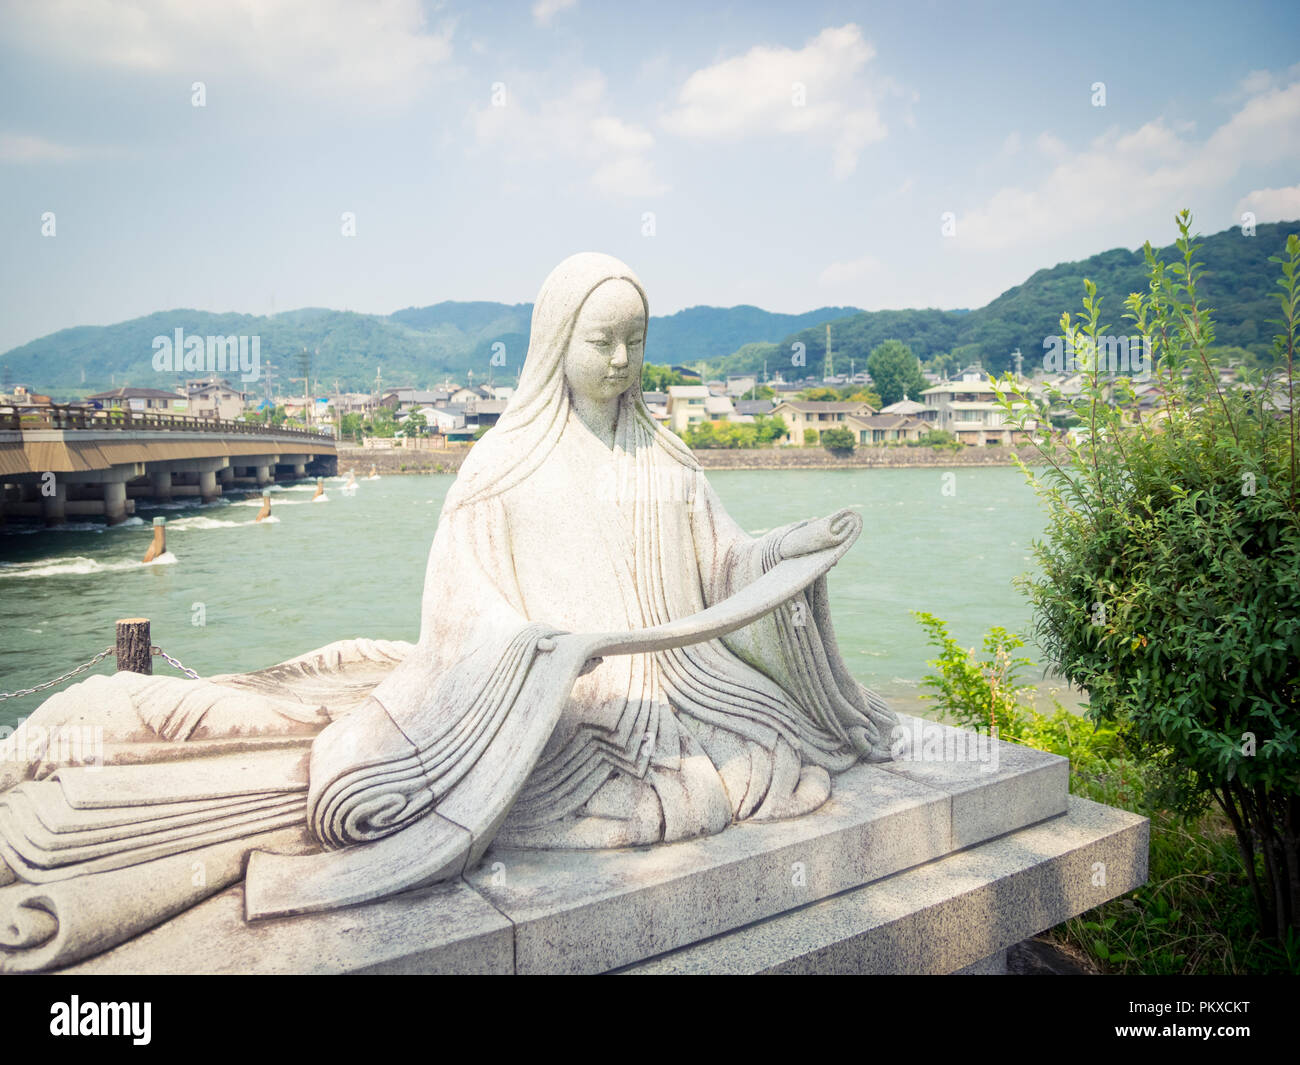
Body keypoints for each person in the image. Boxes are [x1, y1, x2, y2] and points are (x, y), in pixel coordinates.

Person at [0, 252, 894, 972]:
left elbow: (722, 561)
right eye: (600, 341)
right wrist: (530, 650)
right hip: (547, 693)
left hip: (688, 688)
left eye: (635, 341)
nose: (620, 362)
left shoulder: (670, 460)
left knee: (775, 745)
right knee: (540, 756)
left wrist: (783, 549)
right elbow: (462, 609)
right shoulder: (498, 467)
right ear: (556, 343)